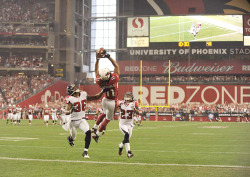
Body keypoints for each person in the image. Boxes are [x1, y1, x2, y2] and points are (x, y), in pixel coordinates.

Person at [65, 84, 107, 158]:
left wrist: (102, 91)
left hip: (81, 119)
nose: (76, 89)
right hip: (73, 122)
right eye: (73, 88)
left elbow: (95, 97)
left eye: (75, 87)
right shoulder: (70, 99)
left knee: (88, 133)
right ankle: (70, 139)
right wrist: (71, 110)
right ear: (71, 92)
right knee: (74, 137)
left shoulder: (83, 94)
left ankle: (85, 152)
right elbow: (66, 111)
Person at [91, 48, 120, 143]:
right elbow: (116, 66)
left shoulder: (99, 80)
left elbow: (96, 70)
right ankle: (97, 135)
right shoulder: (114, 78)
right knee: (108, 119)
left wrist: (98, 59)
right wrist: (108, 56)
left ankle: (94, 127)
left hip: (105, 100)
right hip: (112, 101)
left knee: (104, 113)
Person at [117, 92, 140, 158]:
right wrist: (117, 107)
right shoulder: (121, 103)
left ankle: (121, 146)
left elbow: (139, 112)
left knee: (127, 139)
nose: (127, 97)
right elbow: (116, 109)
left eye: (129, 96)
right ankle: (129, 152)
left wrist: (134, 109)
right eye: (126, 95)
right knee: (126, 135)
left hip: (130, 124)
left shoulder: (134, 103)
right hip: (122, 124)